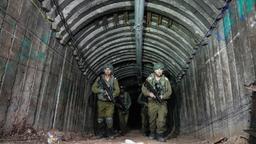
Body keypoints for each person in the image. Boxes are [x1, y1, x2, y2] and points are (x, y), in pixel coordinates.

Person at [141, 62, 172, 142]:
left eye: (161, 69)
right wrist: (149, 94)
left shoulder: (165, 80)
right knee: (152, 119)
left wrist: (163, 96)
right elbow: (144, 89)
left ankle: (159, 134)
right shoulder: (149, 79)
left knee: (162, 119)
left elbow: (169, 91)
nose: (159, 71)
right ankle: (152, 132)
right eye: (157, 69)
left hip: (162, 102)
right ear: (154, 70)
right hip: (152, 102)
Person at [92, 64, 120, 139]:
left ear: (111, 71)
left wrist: (112, 95)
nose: (107, 71)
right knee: (100, 118)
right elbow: (93, 88)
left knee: (109, 118)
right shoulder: (99, 79)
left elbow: (117, 90)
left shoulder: (114, 79)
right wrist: (101, 91)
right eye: (106, 69)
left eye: (109, 69)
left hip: (110, 102)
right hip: (101, 101)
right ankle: (101, 133)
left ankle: (110, 133)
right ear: (104, 70)